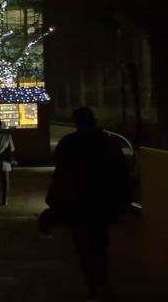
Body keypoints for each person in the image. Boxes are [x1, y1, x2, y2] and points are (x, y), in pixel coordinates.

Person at [40, 107, 130, 301]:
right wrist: (123, 201)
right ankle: (102, 279)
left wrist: (55, 200)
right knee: (101, 242)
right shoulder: (108, 143)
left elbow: (61, 175)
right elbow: (121, 174)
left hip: (77, 203)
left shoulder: (68, 144)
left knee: (82, 245)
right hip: (102, 203)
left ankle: (91, 285)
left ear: (75, 122)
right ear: (94, 121)